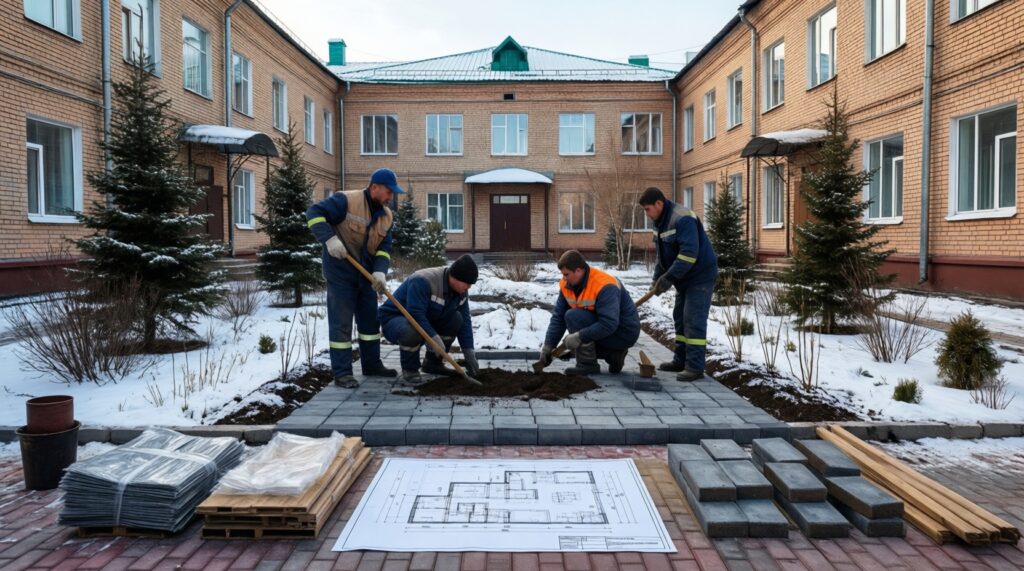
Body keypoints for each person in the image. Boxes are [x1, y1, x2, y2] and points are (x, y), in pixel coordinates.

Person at [306, 168, 403, 388]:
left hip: (366, 276)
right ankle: (342, 373)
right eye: (389, 192)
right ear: (375, 187)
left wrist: (380, 271)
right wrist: (329, 240)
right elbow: (313, 213)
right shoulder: (346, 201)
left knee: (370, 322)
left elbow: (384, 249)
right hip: (340, 273)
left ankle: (372, 364)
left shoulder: (387, 217)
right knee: (341, 324)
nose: (391, 197)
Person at [639, 187, 718, 382]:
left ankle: (695, 367)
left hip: (699, 276)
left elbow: (689, 254)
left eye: (648, 209)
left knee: (693, 318)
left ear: (659, 203)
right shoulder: (659, 223)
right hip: (683, 277)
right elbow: (662, 257)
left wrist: (669, 278)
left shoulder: (682, 218)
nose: (647, 214)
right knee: (680, 317)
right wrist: (656, 280)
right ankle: (680, 360)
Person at [379, 255, 480, 384]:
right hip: (396, 319)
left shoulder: (460, 292)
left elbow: (465, 320)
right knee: (411, 330)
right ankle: (410, 369)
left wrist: (468, 351)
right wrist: (433, 337)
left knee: (456, 319)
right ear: (455, 277)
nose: (469, 287)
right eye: (467, 283)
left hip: (425, 318)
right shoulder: (423, 281)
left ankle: (433, 364)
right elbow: (415, 314)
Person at [540, 250, 640, 375]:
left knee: (574, 317)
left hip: (623, 332)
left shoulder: (604, 285)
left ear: (578, 271)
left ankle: (587, 365)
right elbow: (558, 317)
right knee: (575, 332)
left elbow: (609, 324)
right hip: (607, 329)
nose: (564, 278)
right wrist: (549, 345)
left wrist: (579, 336)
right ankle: (614, 355)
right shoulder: (567, 285)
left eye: (566, 274)